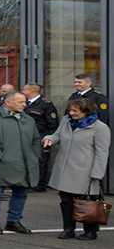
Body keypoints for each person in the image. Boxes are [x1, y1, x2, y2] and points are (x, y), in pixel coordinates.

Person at [45, 97, 110, 240]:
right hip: (65, 169)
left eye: (75, 111)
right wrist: (49, 139)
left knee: (88, 201)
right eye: (70, 110)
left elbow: (102, 152)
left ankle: (90, 231)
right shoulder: (66, 121)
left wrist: (97, 173)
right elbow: (56, 135)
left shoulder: (100, 128)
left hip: (85, 171)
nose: (71, 113)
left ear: (86, 111)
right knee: (66, 201)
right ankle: (68, 229)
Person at [0, 91, 41, 234]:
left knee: (21, 193)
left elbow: (36, 139)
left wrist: (35, 155)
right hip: (3, 163)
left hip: (25, 164)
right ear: (8, 103)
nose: (25, 105)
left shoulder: (28, 120)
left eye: (25, 101)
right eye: (21, 102)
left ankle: (14, 221)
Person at [71, 74, 111, 194]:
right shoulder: (74, 96)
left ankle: (94, 191)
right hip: (75, 135)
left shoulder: (99, 98)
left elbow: (102, 117)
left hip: (90, 135)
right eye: (75, 82)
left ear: (89, 83)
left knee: (92, 162)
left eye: (80, 82)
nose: (77, 84)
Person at [23, 83, 59, 191]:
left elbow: (53, 124)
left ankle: (39, 184)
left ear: (31, 91)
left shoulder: (46, 104)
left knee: (40, 162)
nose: (22, 91)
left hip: (40, 137)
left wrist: (46, 138)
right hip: (25, 137)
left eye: (24, 89)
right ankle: (28, 182)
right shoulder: (24, 103)